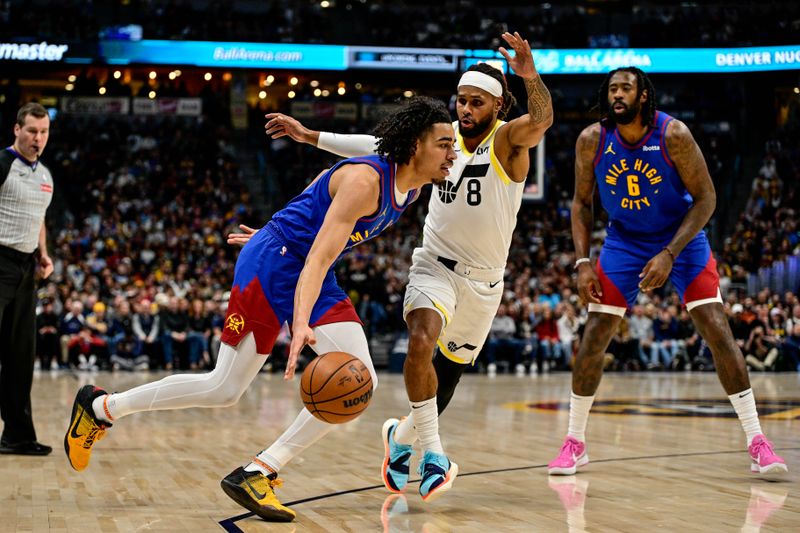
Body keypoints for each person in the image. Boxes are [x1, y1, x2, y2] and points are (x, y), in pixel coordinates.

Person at [64, 96, 456, 522]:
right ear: (415, 145)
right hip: (275, 266)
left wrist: (281, 220)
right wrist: (297, 312)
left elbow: (320, 193)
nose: (453, 153)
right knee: (224, 389)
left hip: (301, 265)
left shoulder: (412, 187)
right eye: (444, 144)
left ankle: (259, 471)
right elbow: (318, 256)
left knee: (359, 380)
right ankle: (102, 408)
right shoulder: (367, 182)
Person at [260, 31, 553, 500]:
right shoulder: (442, 140)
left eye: (476, 103)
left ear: (497, 106)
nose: (464, 110)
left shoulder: (509, 142)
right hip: (434, 264)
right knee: (420, 339)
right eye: (460, 100)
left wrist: (530, 76)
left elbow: (542, 119)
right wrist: (310, 136)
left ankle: (401, 439)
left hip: (485, 282)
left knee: (447, 376)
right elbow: (374, 143)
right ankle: (435, 454)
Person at [547, 67, 787, 476]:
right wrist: (583, 261)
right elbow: (581, 204)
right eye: (612, 89)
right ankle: (574, 442)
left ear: (643, 96)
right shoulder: (592, 140)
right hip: (623, 241)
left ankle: (757, 440)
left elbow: (707, 198)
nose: (616, 94)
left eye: (625, 88)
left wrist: (670, 253)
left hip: (681, 239)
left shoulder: (673, 134)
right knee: (594, 336)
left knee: (716, 328)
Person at [0, 102, 54, 456]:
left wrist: (43, 253)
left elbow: (38, 218)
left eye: (44, 132)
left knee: (21, 356)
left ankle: (17, 435)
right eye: (32, 131)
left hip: (25, 269)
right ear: (16, 130)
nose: (38, 138)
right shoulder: (3, 164)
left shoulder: (45, 175)